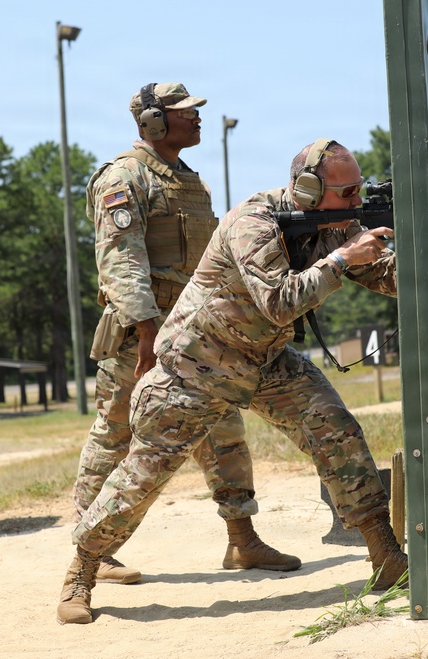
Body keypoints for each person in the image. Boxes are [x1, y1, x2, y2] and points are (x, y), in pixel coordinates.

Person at [57, 138, 408, 625]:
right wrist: (341, 260)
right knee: (141, 478)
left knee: (336, 431)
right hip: (196, 366)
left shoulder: (336, 226)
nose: (356, 203)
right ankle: (82, 571)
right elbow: (281, 303)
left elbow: (390, 279)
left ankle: (385, 554)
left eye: (359, 192)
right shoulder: (253, 222)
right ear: (308, 189)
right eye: (347, 193)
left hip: (264, 359)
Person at [69, 82, 298, 594]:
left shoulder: (186, 179)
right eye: (185, 113)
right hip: (141, 334)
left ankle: (242, 538)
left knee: (223, 429)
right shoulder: (124, 177)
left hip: (197, 332)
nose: (197, 120)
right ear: (151, 122)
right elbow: (120, 260)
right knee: (116, 434)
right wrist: (147, 332)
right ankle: (95, 550)